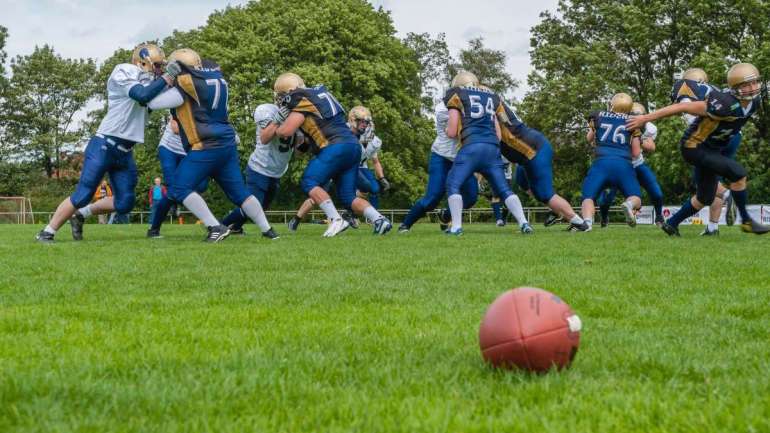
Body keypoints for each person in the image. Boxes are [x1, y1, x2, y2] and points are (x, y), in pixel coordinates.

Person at [36, 43, 175, 243]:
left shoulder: (152, 83)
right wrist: (167, 78)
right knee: (83, 194)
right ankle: (47, 231)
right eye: (157, 65)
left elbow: (164, 96)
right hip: (104, 145)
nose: (159, 70)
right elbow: (141, 94)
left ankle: (81, 215)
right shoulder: (124, 71)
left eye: (162, 66)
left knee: (125, 203)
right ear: (141, 62)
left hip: (125, 151)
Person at [147, 49, 278, 242]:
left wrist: (159, 82)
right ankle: (268, 231)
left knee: (178, 188)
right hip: (226, 143)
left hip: (206, 145)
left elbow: (151, 102)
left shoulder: (186, 85)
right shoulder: (216, 79)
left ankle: (215, 227)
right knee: (239, 193)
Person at [627, 63, 770, 236]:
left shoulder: (755, 101)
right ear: (735, 87)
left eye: (755, 82)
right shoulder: (722, 103)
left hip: (712, 148)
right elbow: (682, 107)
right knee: (738, 174)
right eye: (747, 84)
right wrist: (645, 118)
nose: (753, 87)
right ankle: (747, 221)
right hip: (694, 147)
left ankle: (671, 224)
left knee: (705, 197)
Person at [273, 72, 392, 236]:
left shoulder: (300, 97)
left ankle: (336, 219)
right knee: (348, 197)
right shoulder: (319, 95)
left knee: (309, 180)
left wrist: (276, 122)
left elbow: (285, 132)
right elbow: (309, 139)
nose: (281, 100)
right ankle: (379, 220)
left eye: (282, 95)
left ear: (290, 90)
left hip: (335, 146)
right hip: (352, 147)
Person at [441, 71, 531, 236]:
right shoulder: (491, 96)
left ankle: (456, 227)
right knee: (504, 189)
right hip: (491, 148)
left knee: (453, 184)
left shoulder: (457, 94)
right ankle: (524, 223)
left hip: (471, 147)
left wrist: (447, 130)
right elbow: (498, 134)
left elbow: (452, 131)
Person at [498, 99, 589, 231]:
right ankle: (556, 210)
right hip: (528, 153)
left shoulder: (490, 112)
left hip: (534, 151)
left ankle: (579, 223)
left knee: (545, 193)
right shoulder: (497, 107)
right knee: (521, 180)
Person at [669, 67, 741, 235]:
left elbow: (686, 108)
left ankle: (728, 194)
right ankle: (712, 227)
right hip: (733, 136)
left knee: (704, 186)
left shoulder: (687, 86)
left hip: (710, 137)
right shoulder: (717, 90)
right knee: (711, 184)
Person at [397, 95, 480, 233]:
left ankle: (445, 215)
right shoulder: (443, 109)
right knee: (432, 199)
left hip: (461, 159)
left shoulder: (470, 105)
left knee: (471, 197)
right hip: (442, 157)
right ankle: (405, 224)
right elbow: (455, 131)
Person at [220, 103, 306, 234]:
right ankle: (220, 225)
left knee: (261, 207)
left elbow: (298, 153)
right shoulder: (267, 110)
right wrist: (278, 119)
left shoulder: (297, 117)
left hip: (277, 172)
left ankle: (235, 227)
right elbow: (265, 138)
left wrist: (307, 140)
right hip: (259, 168)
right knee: (254, 206)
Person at [580, 93, 643, 230]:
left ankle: (587, 223)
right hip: (623, 164)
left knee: (588, 197)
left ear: (612, 104)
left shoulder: (599, 116)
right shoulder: (633, 121)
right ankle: (629, 205)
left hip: (601, 162)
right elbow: (636, 153)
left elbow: (589, 139)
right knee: (635, 197)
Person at [597, 102, 663, 227]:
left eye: (638, 117)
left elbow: (652, 147)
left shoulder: (649, 128)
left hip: (637, 164)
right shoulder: (617, 125)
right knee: (606, 198)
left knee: (656, 192)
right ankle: (604, 218)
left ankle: (659, 217)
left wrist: (637, 138)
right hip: (619, 165)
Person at [146, 118, 209, 238]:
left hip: (188, 151)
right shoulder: (181, 101)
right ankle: (154, 230)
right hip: (169, 149)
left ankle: (176, 201)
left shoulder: (206, 107)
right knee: (172, 188)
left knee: (201, 185)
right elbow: (175, 128)